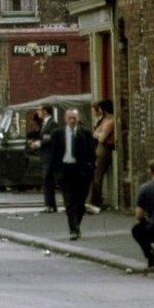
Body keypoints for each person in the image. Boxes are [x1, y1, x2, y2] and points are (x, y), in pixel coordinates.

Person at [50, 109, 95, 240]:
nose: (72, 121)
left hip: (81, 171)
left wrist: (90, 168)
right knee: (68, 202)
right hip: (65, 169)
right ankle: (74, 229)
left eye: (74, 118)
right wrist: (56, 172)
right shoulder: (57, 134)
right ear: (65, 119)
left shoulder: (85, 133)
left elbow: (91, 154)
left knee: (80, 203)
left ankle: (76, 225)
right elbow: (54, 154)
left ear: (78, 118)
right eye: (69, 118)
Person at [30, 104, 58, 213]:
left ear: (45, 111)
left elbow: (51, 138)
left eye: (39, 110)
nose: (38, 112)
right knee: (46, 180)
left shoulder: (52, 124)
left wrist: (38, 143)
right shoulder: (45, 123)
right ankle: (49, 205)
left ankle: (50, 205)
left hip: (49, 155)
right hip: (45, 155)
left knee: (48, 179)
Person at [131, 159, 154, 270]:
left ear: (150, 171)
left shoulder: (145, 188)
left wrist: (146, 221)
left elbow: (138, 214)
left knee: (137, 230)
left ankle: (150, 255)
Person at [90, 99, 114, 210]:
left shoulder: (110, 122)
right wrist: (98, 134)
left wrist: (98, 134)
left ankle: (96, 202)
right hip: (100, 149)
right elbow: (95, 133)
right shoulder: (106, 121)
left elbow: (101, 138)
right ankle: (95, 200)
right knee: (96, 175)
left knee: (97, 176)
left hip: (104, 150)